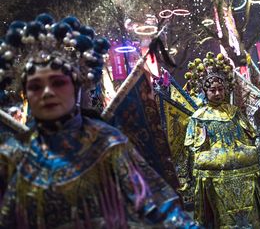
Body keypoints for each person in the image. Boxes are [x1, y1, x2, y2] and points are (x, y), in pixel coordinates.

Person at [0, 13, 196, 228]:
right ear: (25, 94)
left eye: (58, 83)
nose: (47, 93)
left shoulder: (107, 144)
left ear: (76, 87)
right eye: (36, 86)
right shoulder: (12, 155)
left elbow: (157, 207)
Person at [182, 52, 260, 228]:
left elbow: (249, 137)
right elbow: (195, 149)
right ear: (204, 91)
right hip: (217, 175)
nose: (217, 93)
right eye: (212, 90)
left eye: (220, 89)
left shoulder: (234, 112)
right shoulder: (199, 117)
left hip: (244, 169)